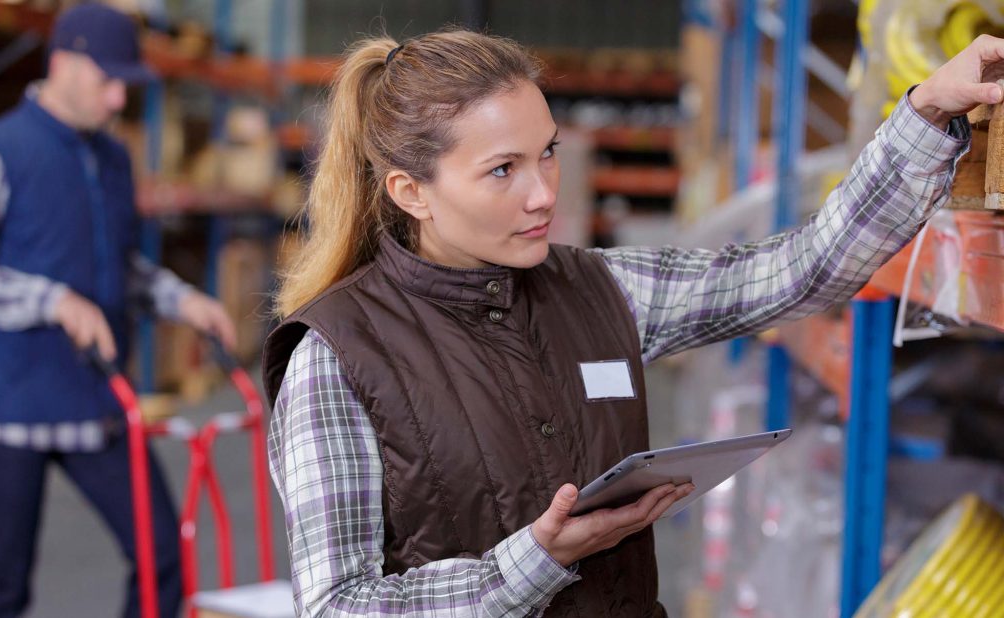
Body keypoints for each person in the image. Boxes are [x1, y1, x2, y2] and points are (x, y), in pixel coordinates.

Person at [262, 28, 993, 617]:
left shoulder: (599, 286)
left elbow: (802, 270)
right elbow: (339, 606)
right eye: (503, 170)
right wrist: (534, 563)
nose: (543, 193)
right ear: (410, 191)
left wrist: (927, 113)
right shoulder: (336, 357)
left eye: (547, 154)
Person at [0, 5, 236, 618]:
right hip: (7, 412)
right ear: (65, 63)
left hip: (97, 401)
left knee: (162, 559)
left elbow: (117, 265)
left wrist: (184, 300)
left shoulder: (114, 158)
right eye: (108, 80)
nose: (120, 98)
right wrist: (54, 299)